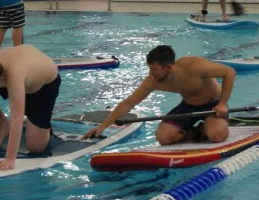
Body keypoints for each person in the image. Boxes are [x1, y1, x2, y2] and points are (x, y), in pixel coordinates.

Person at [82, 45, 236, 145]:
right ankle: (194, 132)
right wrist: (102, 127)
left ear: (168, 67)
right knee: (163, 137)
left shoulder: (193, 66)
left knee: (216, 136)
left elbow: (229, 72)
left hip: (213, 104)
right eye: (150, 69)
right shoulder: (153, 80)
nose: (151, 73)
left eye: (154, 69)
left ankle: (211, 127)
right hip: (189, 105)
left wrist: (222, 103)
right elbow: (128, 103)